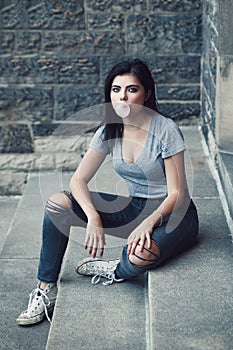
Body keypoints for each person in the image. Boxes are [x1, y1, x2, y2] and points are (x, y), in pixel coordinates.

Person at [16, 58, 199, 326]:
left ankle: (116, 267)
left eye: (131, 89)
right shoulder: (109, 130)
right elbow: (78, 179)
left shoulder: (165, 129)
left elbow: (177, 193)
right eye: (116, 89)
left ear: (147, 93)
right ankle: (45, 289)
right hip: (136, 207)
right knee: (58, 204)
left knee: (139, 256)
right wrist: (93, 216)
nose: (122, 96)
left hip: (175, 215)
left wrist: (149, 223)